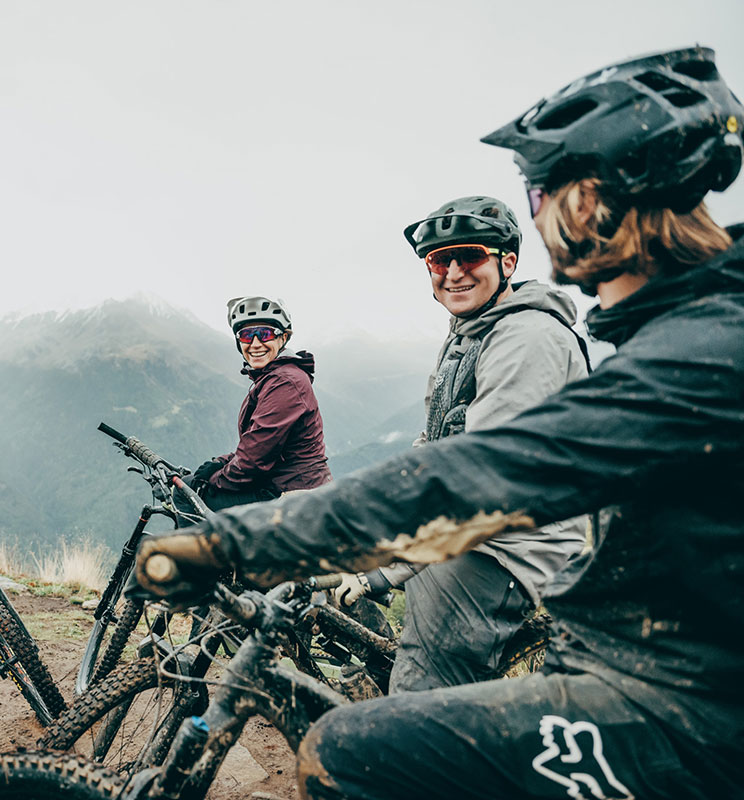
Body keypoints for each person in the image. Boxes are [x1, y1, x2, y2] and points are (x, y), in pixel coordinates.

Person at [136, 46, 744, 798]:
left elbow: (479, 475)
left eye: (542, 189)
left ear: (597, 198)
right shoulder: (680, 333)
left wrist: (233, 544)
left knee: (353, 750)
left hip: (682, 713)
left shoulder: (694, 352)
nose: (541, 209)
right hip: (640, 666)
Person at [333, 195, 589, 692]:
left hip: (510, 545)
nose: (452, 271)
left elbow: (484, 478)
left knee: (417, 695)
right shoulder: (470, 334)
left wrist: (393, 566)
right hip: (467, 529)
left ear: (506, 261)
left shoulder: (527, 338)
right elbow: (436, 440)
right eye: (438, 260)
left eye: (469, 256)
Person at [187, 296, 332, 512]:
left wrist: (213, 479)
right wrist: (219, 463)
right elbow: (258, 442)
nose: (255, 344)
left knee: (187, 497)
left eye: (264, 334)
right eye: (246, 335)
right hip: (284, 481)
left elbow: (254, 458)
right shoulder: (275, 377)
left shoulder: (285, 382)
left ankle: (185, 547)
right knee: (191, 485)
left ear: (282, 338)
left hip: (292, 492)